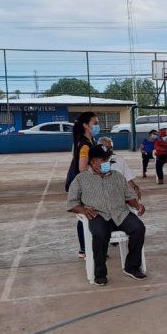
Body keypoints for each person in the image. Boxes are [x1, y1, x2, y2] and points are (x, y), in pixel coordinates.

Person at [67, 145, 147, 286]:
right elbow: (72, 203)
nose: (107, 162)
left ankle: (132, 266)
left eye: (108, 159)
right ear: (92, 162)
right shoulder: (81, 179)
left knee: (138, 228)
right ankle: (100, 273)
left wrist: (137, 206)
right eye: (103, 160)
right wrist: (84, 210)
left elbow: (130, 196)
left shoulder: (117, 176)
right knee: (100, 234)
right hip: (98, 214)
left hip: (119, 212)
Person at [66, 111, 99, 259]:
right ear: (86, 125)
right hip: (82, 184)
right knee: (85, 215)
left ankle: (87, 247)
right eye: (95, 123)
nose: (98, 126)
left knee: (89, 214)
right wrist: (99, 169)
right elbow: (82, 167)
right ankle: (84, 249)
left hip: (87, 183)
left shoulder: (91, 140)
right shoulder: (84, 144)